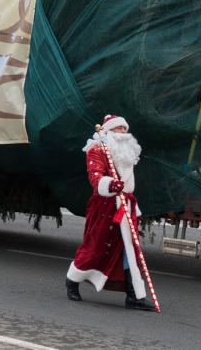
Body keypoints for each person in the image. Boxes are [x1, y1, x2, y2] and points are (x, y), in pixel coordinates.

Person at [65, 114, 155, 311]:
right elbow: (95, 177)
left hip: (126, 206)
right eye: (118, 128)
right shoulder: (96, 150)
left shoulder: (127, 152)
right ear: (107, 131)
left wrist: (123, 190)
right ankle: (72, 280)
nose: (122, 132)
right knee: (95, 247)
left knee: (130, 251)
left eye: (124, 128)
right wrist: (110, 184)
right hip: (105, 207)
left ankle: (135, 297)